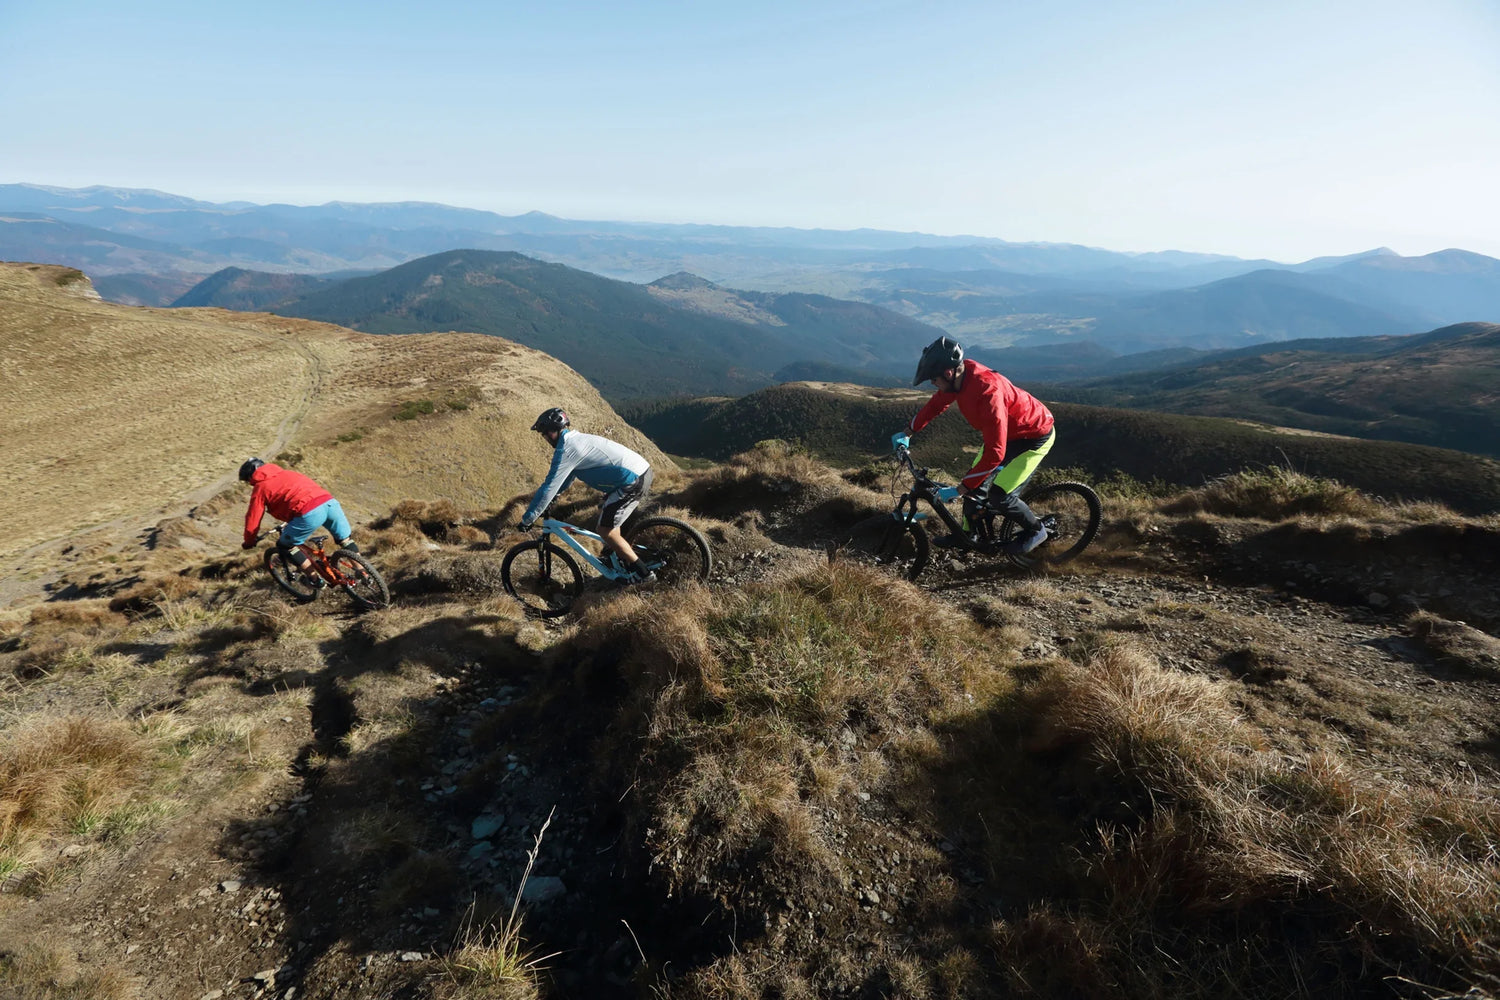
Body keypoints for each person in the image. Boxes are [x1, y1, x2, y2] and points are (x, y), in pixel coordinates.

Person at [893, 336, 1056, 554]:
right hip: (1006, 436)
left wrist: (959, 490)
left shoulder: (987, 392)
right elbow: (936, 405)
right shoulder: (960, 379)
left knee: (999, 496)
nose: (933, 384)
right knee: (974, 485)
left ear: (948, 373)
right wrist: (907, 432)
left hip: (1034, 437)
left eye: (934, 379)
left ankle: (1036, 530)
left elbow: (995, 453)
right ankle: (968, 535)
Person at [519, 407, 657, 583]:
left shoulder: (567, 449)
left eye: (544, 434)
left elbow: (550, 485)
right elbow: (567, 478)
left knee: (605, 530)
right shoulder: (574, 440)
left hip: (632, 480)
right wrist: (555, 497)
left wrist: (528, 519)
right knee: (608, 516)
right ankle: (622, 558)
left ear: (552, 431)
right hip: (637, 473)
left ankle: (644, 575)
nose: (545, 438)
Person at [240, 458, 358, 586]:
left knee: (286, 546)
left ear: (251, 475)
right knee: (345, 540)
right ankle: (364, 572)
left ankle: (315, 580)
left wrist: (249, 541)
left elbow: (253, 517)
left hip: (309, 513)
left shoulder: (260, 488)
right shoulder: (289, 473)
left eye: (247, 480)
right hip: (330, 503)